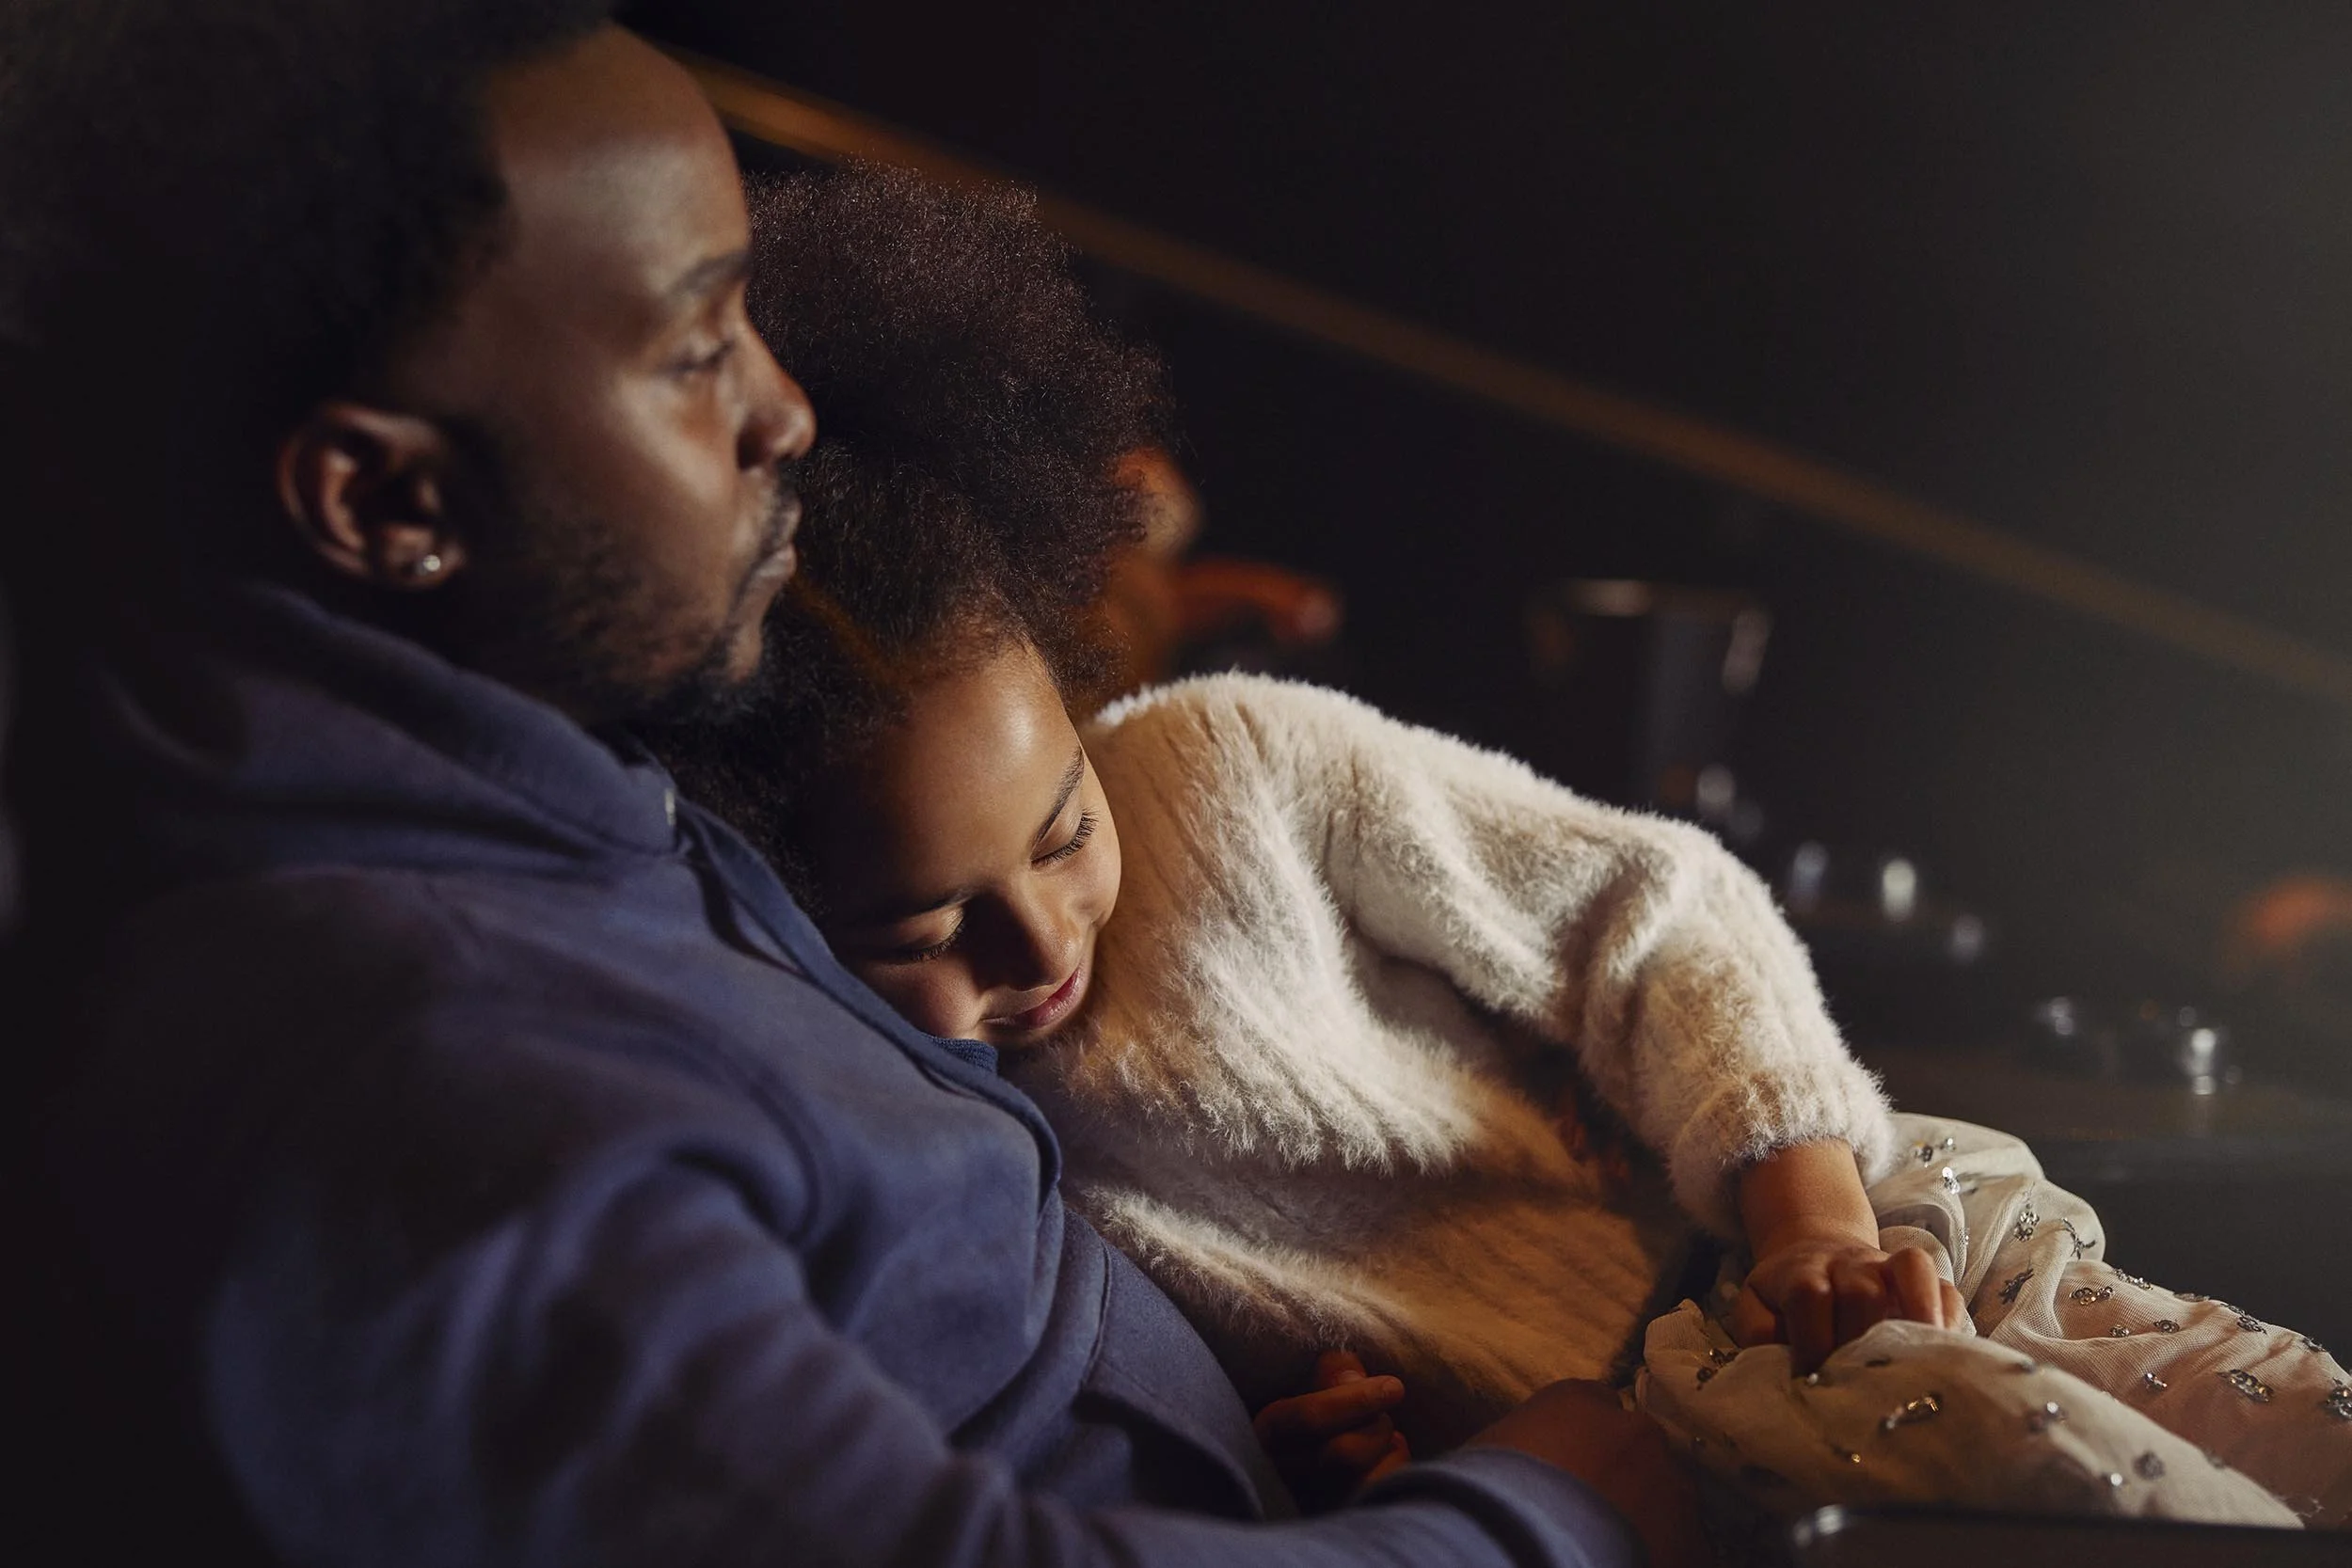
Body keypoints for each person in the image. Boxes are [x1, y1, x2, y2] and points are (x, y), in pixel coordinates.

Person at [3, 6, 1703, 1565]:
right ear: (386, 506)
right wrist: (1530, 1522)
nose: (788, 411)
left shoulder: (553, 799)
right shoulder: (423, 1087)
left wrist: (1249, 1468)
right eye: (695, 351)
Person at [656, 166, 2352, 1532]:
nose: (1038, 942)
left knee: (2285, 1434)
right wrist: (1311, 1453)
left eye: (1061, 835)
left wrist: (1808, 1209)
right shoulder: (940, 1157)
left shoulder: (1231, 756)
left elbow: (1660, 911)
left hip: (1844, 1230)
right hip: (1671, 1444)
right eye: (925, 924)